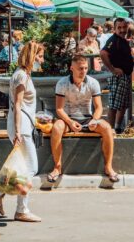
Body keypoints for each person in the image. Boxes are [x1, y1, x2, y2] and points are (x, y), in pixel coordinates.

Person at [0, 41, 44, 223]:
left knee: (24, 168)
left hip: (24, 125)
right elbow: (17, 105)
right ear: (31, 56)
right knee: (31, 168)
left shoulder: (22, 75)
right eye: (40, 56)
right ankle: (16, 206)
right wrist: (19, 131)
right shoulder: (22, 77)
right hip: (22, 127)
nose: (42, 60)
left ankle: (4, 197)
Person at [48, 55, 118, 183]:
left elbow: (98, 108)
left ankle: (108, 167)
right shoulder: (62, 83)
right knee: (57, 127)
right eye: (80, 68)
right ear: (72, 68)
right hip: (68, 118)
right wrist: (70, 122)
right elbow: (59, 109)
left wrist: (94, 120)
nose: (83, 71)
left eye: (86, 68)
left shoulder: (93, 82)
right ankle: (57, 167)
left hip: (87, 118)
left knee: (107, 128)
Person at [100, 18, 134, 134]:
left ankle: (118, 127)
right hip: (118, 77)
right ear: (114, 29)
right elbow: (103, 53)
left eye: (124, 27)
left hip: (125, 76)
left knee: (123, 104)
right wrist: (113, 69)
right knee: (114, 105)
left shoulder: (122, 40)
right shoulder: (114, 40)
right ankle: (110, 130)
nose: (122, 30)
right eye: (119, 28)